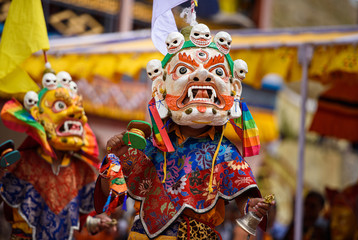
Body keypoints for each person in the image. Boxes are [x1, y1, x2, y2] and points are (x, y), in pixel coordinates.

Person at [93, 22, 275, 240]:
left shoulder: (224, 153)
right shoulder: (151, 145)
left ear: (233, 89)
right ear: (161, 86)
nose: (201, 76)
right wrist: (114, 158)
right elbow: (109, 195)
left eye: (216, 71)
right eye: (183, 70)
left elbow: (246, 203)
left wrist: (251, 206)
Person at [0, 70, 114, 239]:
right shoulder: (21, 162)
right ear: (37, 116)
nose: (77, 114)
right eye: (61, 105)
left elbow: (78, 218)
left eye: (78, 107)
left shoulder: (82, 171)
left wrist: (96, 223)